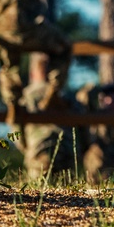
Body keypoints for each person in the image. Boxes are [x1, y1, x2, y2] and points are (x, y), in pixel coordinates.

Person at [20, 53, 74, 182]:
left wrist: (26, 148)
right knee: (69, 193)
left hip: (37, 152)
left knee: (36, 196)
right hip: (67, 151)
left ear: (33, 72)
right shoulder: (67, 95)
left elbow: (16, 129)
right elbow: (84, 128)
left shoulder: (28, 95)